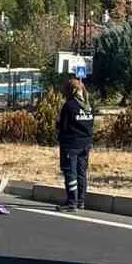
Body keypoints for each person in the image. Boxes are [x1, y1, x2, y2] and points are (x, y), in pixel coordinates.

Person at [56, 75, 94, 210]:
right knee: (81, 172)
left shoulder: (69, 106)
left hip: (71, 145)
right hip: (85, 144)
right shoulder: (88, 106)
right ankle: (81, 201)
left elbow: (63, 126)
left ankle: (71, 202)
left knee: (70, 173)